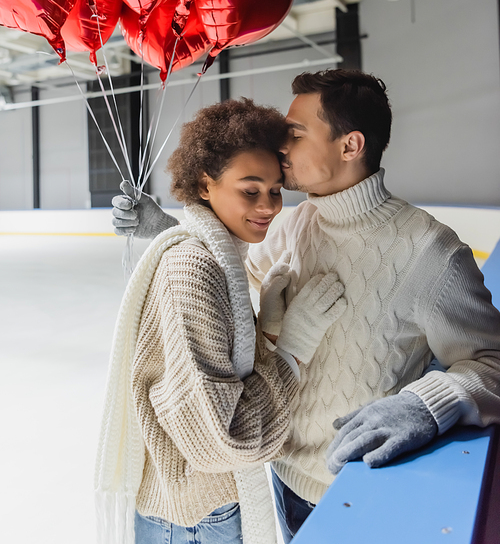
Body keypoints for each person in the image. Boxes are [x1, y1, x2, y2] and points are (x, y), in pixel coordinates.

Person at [111, 70, 500, 543]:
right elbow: (234, 279)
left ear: (350, 145)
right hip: (277, 471)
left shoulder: (429, 252)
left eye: (294, 135)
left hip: (354, 489)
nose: (281, 146)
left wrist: (425, 405)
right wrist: (173, 229)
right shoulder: (298, 222)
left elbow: (492, 361)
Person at [97, 97, 346, 544]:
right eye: (250, 190)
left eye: (275, 190)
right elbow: (223, 439)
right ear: (205, 185)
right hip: (193, 518)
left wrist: (265, 330)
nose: (268, 206)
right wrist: (290, 350)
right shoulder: (193, 269)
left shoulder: (217, 258)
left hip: (200, 507)